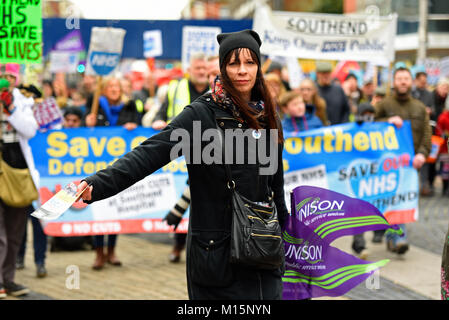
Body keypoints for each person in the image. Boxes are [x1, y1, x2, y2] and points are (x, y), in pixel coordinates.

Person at [77, 29, 288, 300]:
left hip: (262, 252)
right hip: (216, 254)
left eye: (250, 62)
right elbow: (149, 153)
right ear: (223, 68)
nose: (242, 71)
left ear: (258, 66)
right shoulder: (200, 115)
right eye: (234, 63)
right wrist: (98, 184)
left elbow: (275, 185)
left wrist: (288, 236)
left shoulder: (267, 114)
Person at [152, 53, 210, 263]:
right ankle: (177, 246)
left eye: (205, 68)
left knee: (201, 202)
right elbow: (162, 113)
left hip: (207, 153)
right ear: (190, 70)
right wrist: (159, 121)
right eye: (198, 68)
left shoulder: (217, 91)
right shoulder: (176, 88)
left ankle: (198, 248)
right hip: (178, 155)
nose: (202, 72)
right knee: (183, 195)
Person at [374, 66, 431, 256]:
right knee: (391, 199)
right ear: (394, 82)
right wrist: (387, 120)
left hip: (410, 164)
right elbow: (369, 125)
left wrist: (422, 153)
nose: (403, 82)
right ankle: (395, 236)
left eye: (406, 78)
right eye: (399, 79)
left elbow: (426, 133)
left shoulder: (419, 107)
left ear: (411, 81)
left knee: (403, 200)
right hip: (387, 163)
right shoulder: (384, 104)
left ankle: (396, 236)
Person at [83, 77, 139, 270]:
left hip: (119, 166)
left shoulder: (129, 106)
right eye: (111, 87)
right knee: (99, 208)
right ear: (104, 90)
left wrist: (133, 127)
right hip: (97, 165)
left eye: (117, 86)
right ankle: (99, 252)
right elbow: (83, 130)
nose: (115, 89)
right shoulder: (95, 105)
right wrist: (87, 122)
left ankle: (112, 250)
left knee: (114, 207)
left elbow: (139, 127)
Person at [0, 73, 39, 297]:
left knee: (15, 231)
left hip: (18, 171)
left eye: (10, 74)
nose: (6, 78)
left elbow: (30, 130)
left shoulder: (22, 100)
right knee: (0, 234)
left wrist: (11, 108)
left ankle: (8, 279)